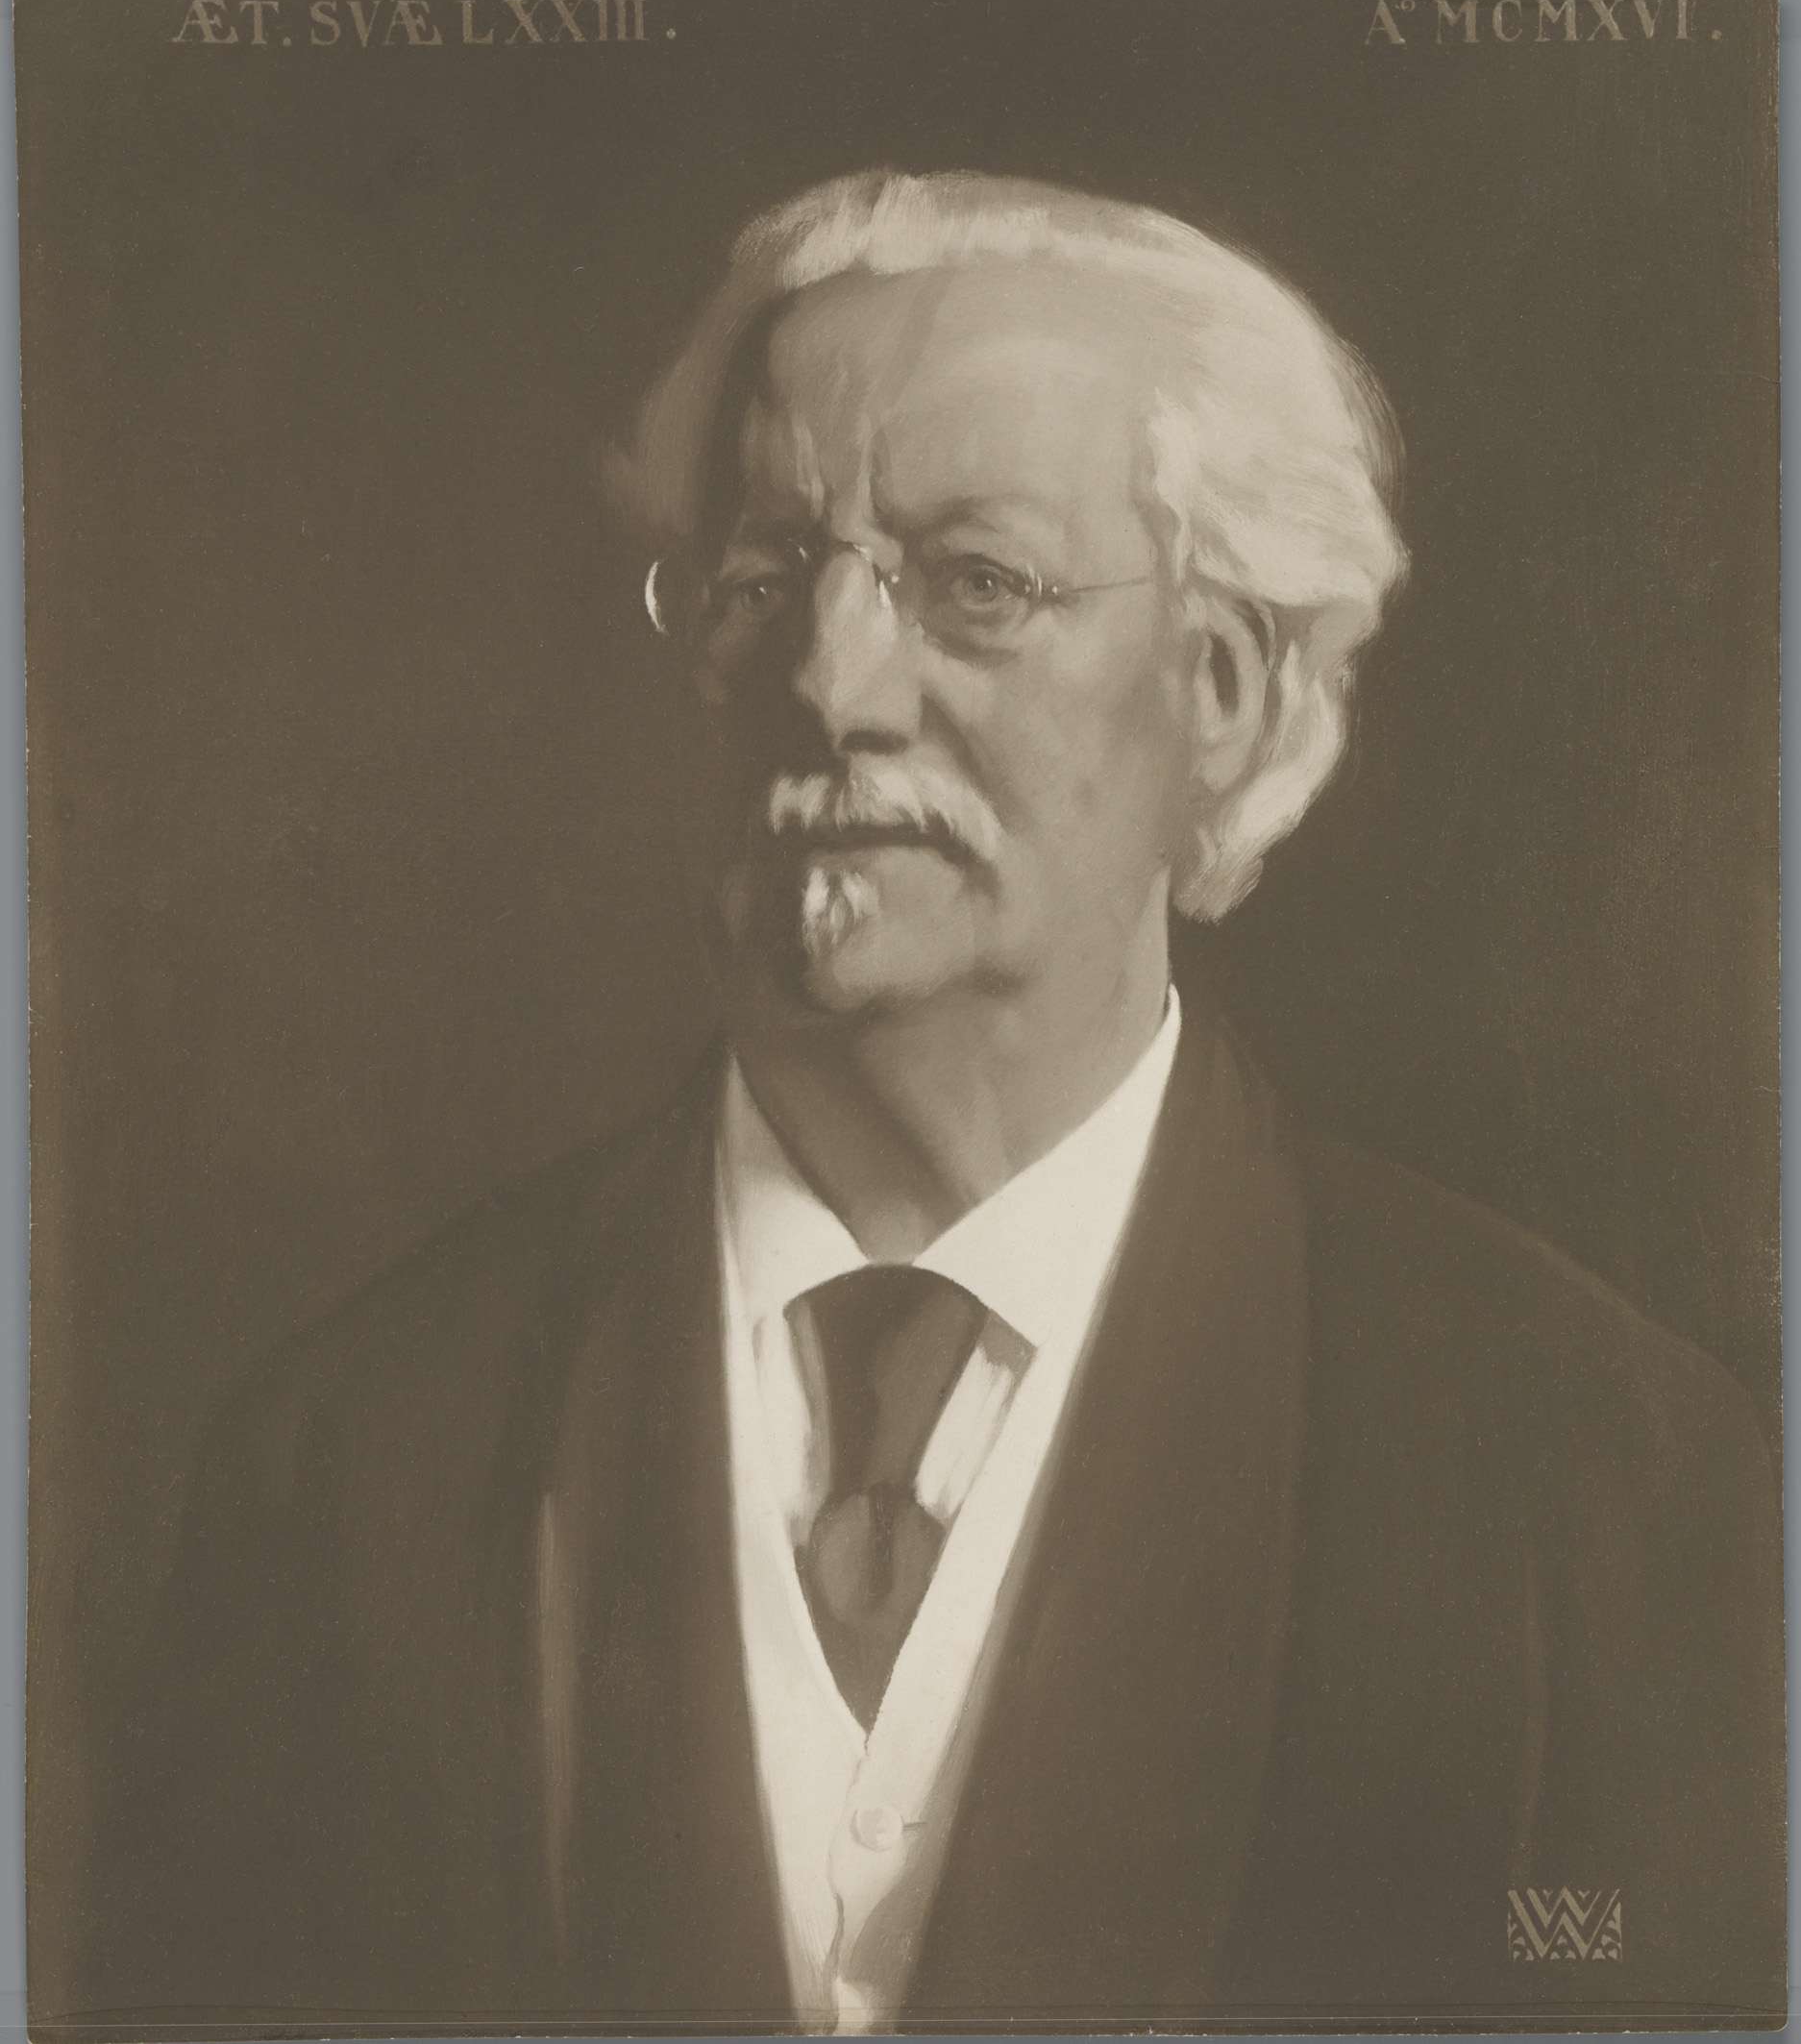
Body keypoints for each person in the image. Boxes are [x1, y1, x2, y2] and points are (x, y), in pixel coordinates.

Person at [81, 170, 1784, 2036]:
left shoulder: (1602, 1492)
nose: (829, 684)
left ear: (1222, 691)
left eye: (976, 584)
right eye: (760, 581)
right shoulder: (345, 1471)